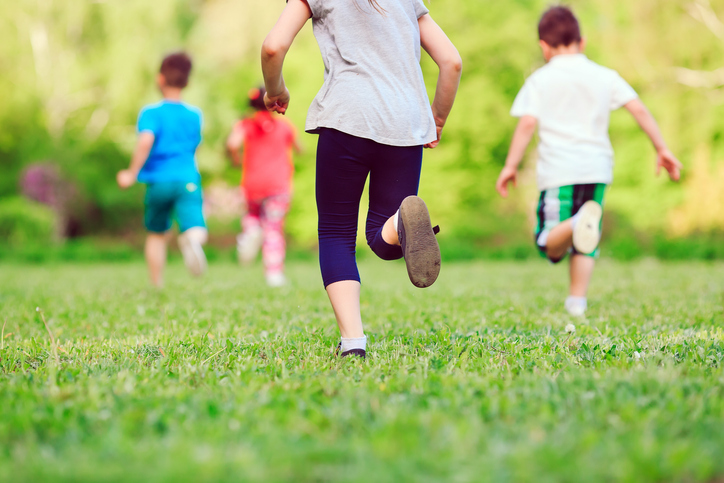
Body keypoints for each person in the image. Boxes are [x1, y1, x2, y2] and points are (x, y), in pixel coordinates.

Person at [261, 0, 462, 358]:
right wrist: (437, 119)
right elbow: (451, 62)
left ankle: (353, 342)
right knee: (382, 237)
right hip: (405, 122)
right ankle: (402, 220)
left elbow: (273, 46)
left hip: (347, 116)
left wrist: (276, 90)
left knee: (337, 232)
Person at [495, 6, 682, 316]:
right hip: (597, 168)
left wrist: (510, 166)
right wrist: (661, 148)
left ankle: (574, 224)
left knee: (549, 243)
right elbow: (638, 109)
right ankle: (577, 301)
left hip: (559, 170)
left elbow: (527, 124)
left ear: (543, 46)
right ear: (582, 42)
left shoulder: (541, 80)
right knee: (586, 236)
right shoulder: (604, 75)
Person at [117, 52, 208, 288]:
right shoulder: (194, 115)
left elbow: (145, 142)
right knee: (196, 226)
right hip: (187, 177)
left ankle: (157, 284)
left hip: (158, 181)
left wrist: (131, 172)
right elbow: (195, 146)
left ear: (160, 79)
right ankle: (191, 240)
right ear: (187, 82)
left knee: (157, 234)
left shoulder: (151, 113)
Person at [226, 86, 302, 287]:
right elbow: (299, 148)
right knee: (274, 229)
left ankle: (251, 232)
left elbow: (232, 144)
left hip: (253, 184)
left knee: (252, 216)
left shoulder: (245, 124)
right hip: (278, 185)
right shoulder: (284, 126)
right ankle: (274, 274)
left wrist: (236, 159)